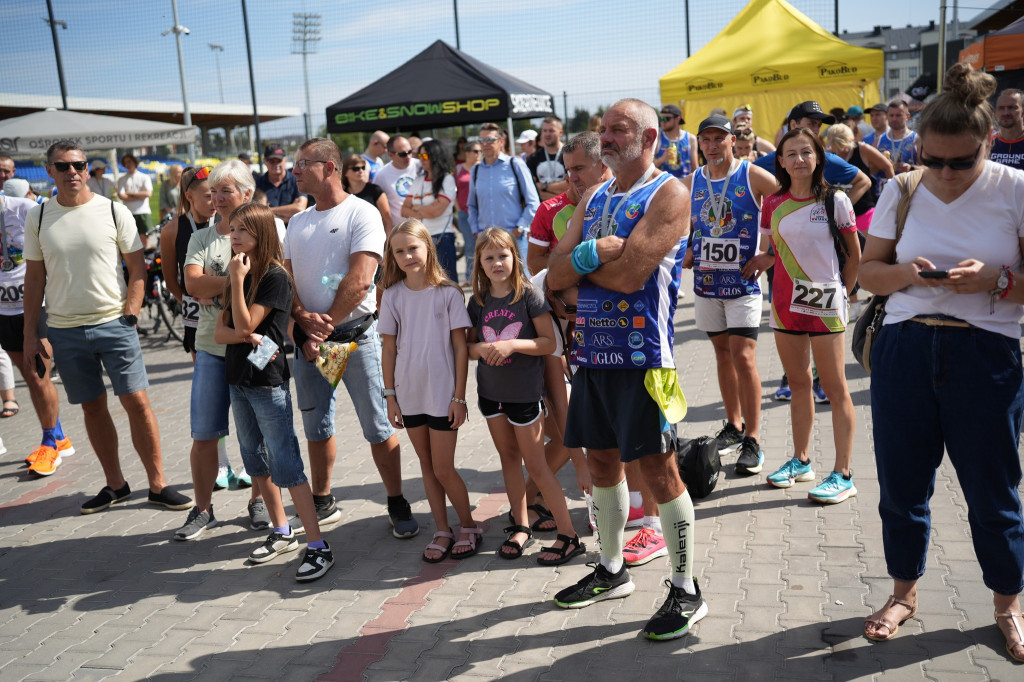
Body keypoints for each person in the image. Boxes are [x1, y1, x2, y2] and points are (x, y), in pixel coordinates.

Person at [858, 63, 1024, 662]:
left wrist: (996, 279)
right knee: (902, 485)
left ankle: (1009, 605)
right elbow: (866, 272)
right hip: (905, 348)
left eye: (962, 162)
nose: (947, 176)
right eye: (935, 161)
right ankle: (903, 594)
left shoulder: (1015, 188)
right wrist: (905, 273)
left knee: (993, 491)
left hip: (986, 354)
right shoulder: (901, 188)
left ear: (988, 143)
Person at [547, 99, 706, 641]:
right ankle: (612, 571)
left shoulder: (670, 193)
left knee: (660, 474)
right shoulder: (593, 195)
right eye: (604, 130)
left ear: (649, 137)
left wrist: (579, 276)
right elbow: (552, 273)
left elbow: (632, 275)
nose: (607, 138)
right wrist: (591, 254)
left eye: (619, 130)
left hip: (646, 360)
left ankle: (686, 588)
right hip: (592, 354)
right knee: (599, 464)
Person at [23, 140, 193, 514]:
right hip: (65, 331)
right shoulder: (37, 217)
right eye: (63, 166)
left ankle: (158, 484)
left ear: (87, 169)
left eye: (79, 165)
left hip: (114, 324)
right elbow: (34, 280)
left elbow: (136, 269)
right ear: (48, 170)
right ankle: (115, 485)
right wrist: (30, 335)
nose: (73, 172)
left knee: (138, 403)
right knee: (92, 408)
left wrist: (130, 314)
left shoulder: (114, 212)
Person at [286, 137, 420, 538]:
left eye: (302, 164)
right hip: (312, 342)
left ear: (329, 167)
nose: (294, 171)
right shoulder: (297, 222)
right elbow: (288, 278)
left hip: (354, 339)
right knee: (316, 427)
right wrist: (300, 319)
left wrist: (321, 326)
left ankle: (396, 500)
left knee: (378, 426)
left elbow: (362, 280)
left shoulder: (360, 214)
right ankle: (323, 502)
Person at [213, 203, 333, 582]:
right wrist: (244, 332)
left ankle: (318, 546)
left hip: (267, 382)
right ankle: (281, 530)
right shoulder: (241, 269)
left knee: (287, 463)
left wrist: (235, 285)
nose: (233, 237)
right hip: (238, 378)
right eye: (232, 230)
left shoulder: (273, 276)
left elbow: (246, 320)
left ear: (261, 235)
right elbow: (221, 332)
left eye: (242, 231)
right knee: (255, 460)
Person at [745, 128, 860, 504]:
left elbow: (855, 255)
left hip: (826, 304)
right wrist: (765, 259)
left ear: (818, 157)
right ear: (780, 160)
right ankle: (801, 460)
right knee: (798, 384)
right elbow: (776, 247)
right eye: (791, 153)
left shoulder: (835, 200)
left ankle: (843, 472)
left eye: (806, 152)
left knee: (836, 386)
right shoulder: (772, 202)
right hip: (784, 305)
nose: (798, 159)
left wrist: (847, 291)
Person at [468, 227, 584, 565]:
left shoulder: (529, 295)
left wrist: (512, 345)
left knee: (536, 465)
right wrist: (483, 348)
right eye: (488, 257)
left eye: (502, 255)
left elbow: (549, 343)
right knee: (508, 459)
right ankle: (521, 525)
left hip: (524, 398)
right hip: (491, 396)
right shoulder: (477, 301)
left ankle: (568, 534)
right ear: (479, 263)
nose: (496, 263)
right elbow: (467, 346)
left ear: (514, 257)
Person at [681, 115, 779, 477]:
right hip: (707, 284)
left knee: (744, 357)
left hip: (743, 284)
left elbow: (786, 200)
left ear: (732, 140)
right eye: (705, 139)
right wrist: (686, 248)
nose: (711, 145)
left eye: (718, 138)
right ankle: (734, 425)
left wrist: (769, 253)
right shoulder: (692, 180)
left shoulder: (750, 174)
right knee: (722, 355)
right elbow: (681, 221)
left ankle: (753, 439)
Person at [174, 160, 268, 541]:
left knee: (259, 434)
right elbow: (193, 286)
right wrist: (236, 281)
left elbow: (272, 283)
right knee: (205, 434)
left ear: (246, 194)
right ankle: (202, 509)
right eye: (213, 191)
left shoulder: (266, 233)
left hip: (256, 349)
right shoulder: (201, 237)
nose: (217, 198)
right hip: (211, 350)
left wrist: (224, 285)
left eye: (225, 191)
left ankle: (259, 502)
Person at [378, 219, 482, 562]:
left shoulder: (449, 293)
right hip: (409, 395)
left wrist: (458, 397)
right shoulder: (392, 296)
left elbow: (460, 349)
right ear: (392, 257)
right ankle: (442, 528)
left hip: (442, 395)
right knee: (426, 464)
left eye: (413, 248)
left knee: (443, 467)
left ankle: (468, 524)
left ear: (428, 248)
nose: (407, 255)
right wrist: (390, 395)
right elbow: (389, 349)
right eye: (399, 251)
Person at [755, 101, 871, 401]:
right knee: (792, 338)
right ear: (792, 124)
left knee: (826, 359)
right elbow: (749, 187)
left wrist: (837, 214)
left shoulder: (822, 157)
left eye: (820, 124)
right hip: (783, 263)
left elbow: (863, 181)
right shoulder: (772, 159)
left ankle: (818, 381)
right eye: (812, 121)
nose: (817, 128)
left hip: (822, 273)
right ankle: (792, 378)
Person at [0, 192, 75, 476]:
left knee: (38, 374)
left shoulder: (24, 209)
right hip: (3, 311)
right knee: (30, 379)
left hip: (33, 306)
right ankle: (59, 436)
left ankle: (49, 445)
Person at [527, 131, 612, 275]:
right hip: (569, 296)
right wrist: (581, 260)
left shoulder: (628, 200)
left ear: (603, 165)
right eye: (568, 170)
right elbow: (533, 265)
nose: (572, 178)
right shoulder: (548, 210)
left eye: (578, 168)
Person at [467, 123, 540, 275]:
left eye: (490, 140)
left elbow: (533, 202)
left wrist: (519, 228)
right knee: (493, 292)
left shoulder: (515, 164)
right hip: (487, 243)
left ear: (501, 141)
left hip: (515, 240)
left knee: (523, 288)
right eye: (482, 141)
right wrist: (476, 232)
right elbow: (472, 206)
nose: (485, 144)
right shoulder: (476, 170)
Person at [401, 140, 457, 280]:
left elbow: (436, 211)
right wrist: (426, 209)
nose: (421, 160)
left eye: (425, 156)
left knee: (447, 283)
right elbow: (404, 210)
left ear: (435, 156)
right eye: (420, 156)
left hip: (442, 238)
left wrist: (416, 208)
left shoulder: (447, 179)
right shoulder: (418, 180)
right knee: (426, 283)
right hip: (420, 239)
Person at [373, 135, 421, 229]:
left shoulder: (420, 166)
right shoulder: (381, 175)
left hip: (426, 226)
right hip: (401, 230)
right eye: (403, 154)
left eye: (410, 152)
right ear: (390, 155)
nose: (408, 156)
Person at [255, 146, 308, 225]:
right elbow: (256, 213)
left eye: (279, 161)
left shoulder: (297, 180)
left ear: (285, 160)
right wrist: (289, 212)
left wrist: (268, 210)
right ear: (264, 161)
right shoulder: (257, 184)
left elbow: (300, 208)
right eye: (272, 161)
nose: (276, 164)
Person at [341, 153, 392, 233]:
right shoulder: (342, 194)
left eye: (363, 167)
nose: (361, 171)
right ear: (345, 172)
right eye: (356, 169)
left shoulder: (375, 190)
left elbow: (387, 221)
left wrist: (387, 244)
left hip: (376, 238)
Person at [454, 141, 481, 285]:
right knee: (470, 245)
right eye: (476, 151)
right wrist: (458, 209)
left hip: (481, 213)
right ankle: (470, 278)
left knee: (484, 244)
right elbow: (453, 190)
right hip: (464, 213)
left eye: (480, 151)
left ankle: (484, 277)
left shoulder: (483, 167)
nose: (479, 154)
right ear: (467, 153)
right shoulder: (459, 169)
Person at [116, 154, 153, 249]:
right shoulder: (122, 179)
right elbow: (121, 196)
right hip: (129, 212)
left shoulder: (144, 177)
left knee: (145, 238)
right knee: (131, 239)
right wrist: (139, 196)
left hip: (143, 212)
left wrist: (131, 194)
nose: (127, 164)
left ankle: (147, 259)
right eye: (125, 162)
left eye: (129, 162)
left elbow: (148, 194)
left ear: (135, 162)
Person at [527, 117, 568, 201]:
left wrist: (543, 186)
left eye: (551, 131)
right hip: (544, 209)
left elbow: (571, 186)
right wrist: (559, 194)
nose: (547, 134)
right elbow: (531, 189)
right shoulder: (533, 158)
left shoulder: (570, 155)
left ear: (560, 132)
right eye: (544, 131)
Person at [655, 104, 697, 178]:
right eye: (661, 118)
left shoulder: (690, 138)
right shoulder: (658, 137)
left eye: (666, 118)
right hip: (663, 185)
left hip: (684, 184)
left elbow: (695, 167)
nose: (663, 121)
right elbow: (648, 168)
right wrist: (662, 159)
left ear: (678, 119)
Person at [877, 100, 918, 174]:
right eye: (891, 115)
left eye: (898, 115)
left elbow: (928, 169)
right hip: (885, 184)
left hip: (907, 184)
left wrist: (911, 168)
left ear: (907, 116)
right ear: (887, 116)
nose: (894, 119)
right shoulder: (879, 140)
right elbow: (871, 169)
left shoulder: (917, 139)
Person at [992, 88, 1024, 171]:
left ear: (1023, 112)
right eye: (1001, 108)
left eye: (1012, 107)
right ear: (995, 113)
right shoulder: (987, 143)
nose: (1006, 113)